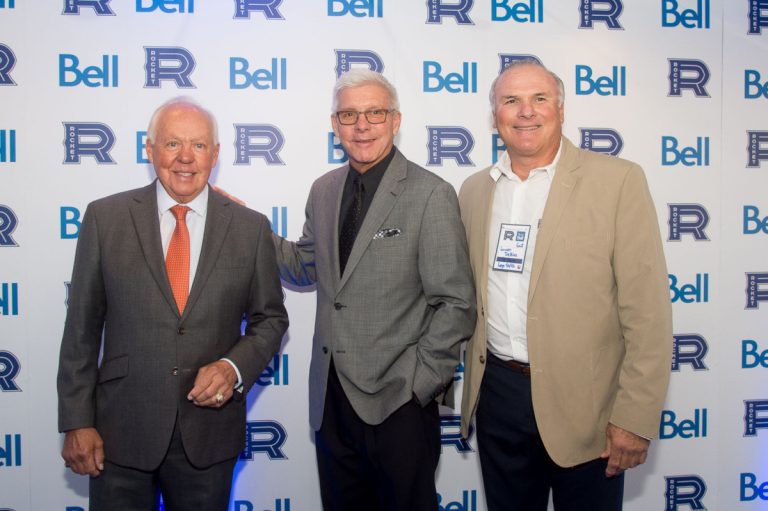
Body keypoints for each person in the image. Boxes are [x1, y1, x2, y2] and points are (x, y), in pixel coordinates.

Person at [459, 60, 673, 511]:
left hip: (589, 407)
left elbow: (647, 312)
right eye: (510, 101)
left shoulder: (617, 181)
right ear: (494, 115)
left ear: (560, 109)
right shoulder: (475, 190)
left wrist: (634, 418)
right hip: (499, 395)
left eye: (539, 99)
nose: (525, 112)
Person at [57, 97, 288, 510]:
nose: (186, 158)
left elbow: (270, 319)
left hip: (208, 436)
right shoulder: (105, 219)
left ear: (215, 154)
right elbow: (81, 330)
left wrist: (232, 367)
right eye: (172, 144)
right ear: (149, 149)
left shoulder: (250, 228)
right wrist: (78, 420)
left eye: (199, 146)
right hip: (119, 433)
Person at [272, 69, 476, 510]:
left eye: (374, 113)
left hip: (398, 403)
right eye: (349, 114)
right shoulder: (323, 190)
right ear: (334, 124)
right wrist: (243, 225)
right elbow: (306, 268)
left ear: (395, 120)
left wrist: (418, 385)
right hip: (331, 400)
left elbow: (456, 303)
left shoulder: (430, 194)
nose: (361, 125)